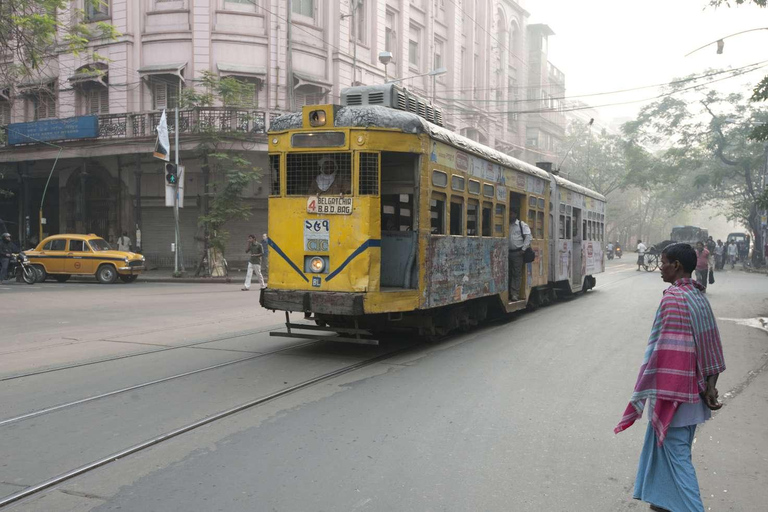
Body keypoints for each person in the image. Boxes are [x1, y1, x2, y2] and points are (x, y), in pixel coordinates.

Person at [615, 243, 725, 512]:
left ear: (676, 265)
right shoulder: (698, 297)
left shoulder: (673, 298)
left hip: (675, 395)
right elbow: (710, 345)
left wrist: (651, 386)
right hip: (695, 394)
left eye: (663, 262)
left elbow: (666, 353)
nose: (660, 267)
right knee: (672, 452)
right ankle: (664, 502)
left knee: (677, 458)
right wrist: (710, 385)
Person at [508, 209, 531, 302]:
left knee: (516, 273)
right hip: (507, 252)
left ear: (516, 214)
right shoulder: (506, 224)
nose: (510, 215)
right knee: (507, 273)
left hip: (517, 253)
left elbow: (528, 237)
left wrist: (523, 249)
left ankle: (514, 294)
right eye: (509, 213)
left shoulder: (522, 225)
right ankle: (508, 292)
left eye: (512, 213)